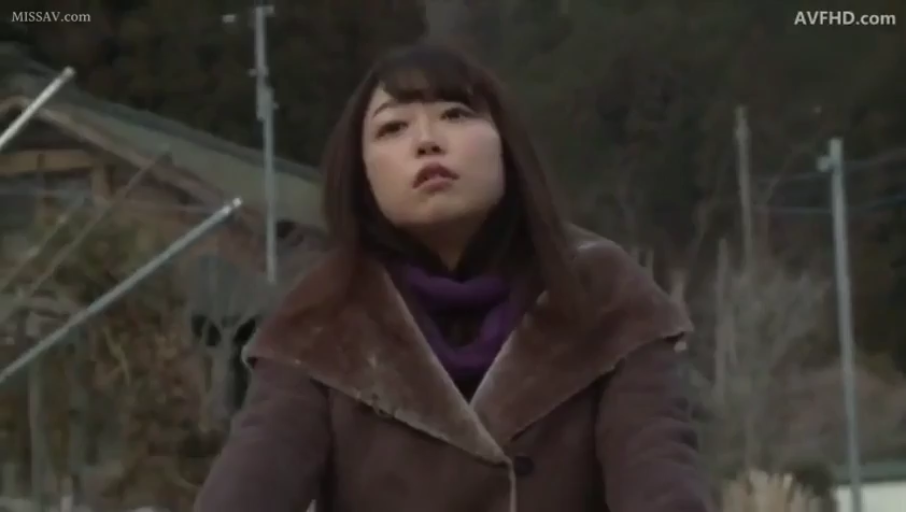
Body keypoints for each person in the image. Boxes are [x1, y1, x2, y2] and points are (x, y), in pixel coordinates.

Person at [194, 42, 713, 512]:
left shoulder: (604, 291)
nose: (427, 141)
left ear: (506, 145)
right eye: (393, 128)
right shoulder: (322, 316)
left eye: (455, 114)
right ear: (361, 173)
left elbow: (658, 469)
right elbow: (254, 477)